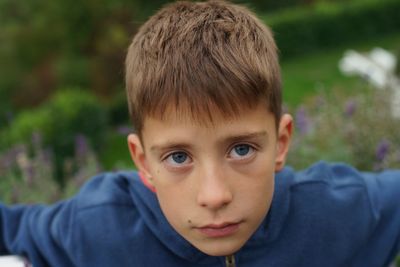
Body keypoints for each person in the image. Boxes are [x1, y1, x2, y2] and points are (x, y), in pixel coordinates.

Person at [1, 1, 400, 266]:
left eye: (241, 149)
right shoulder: (98, 227)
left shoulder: (339, 213)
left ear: (281, 142)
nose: (215, 196)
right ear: (143, 161)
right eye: (178, 157)